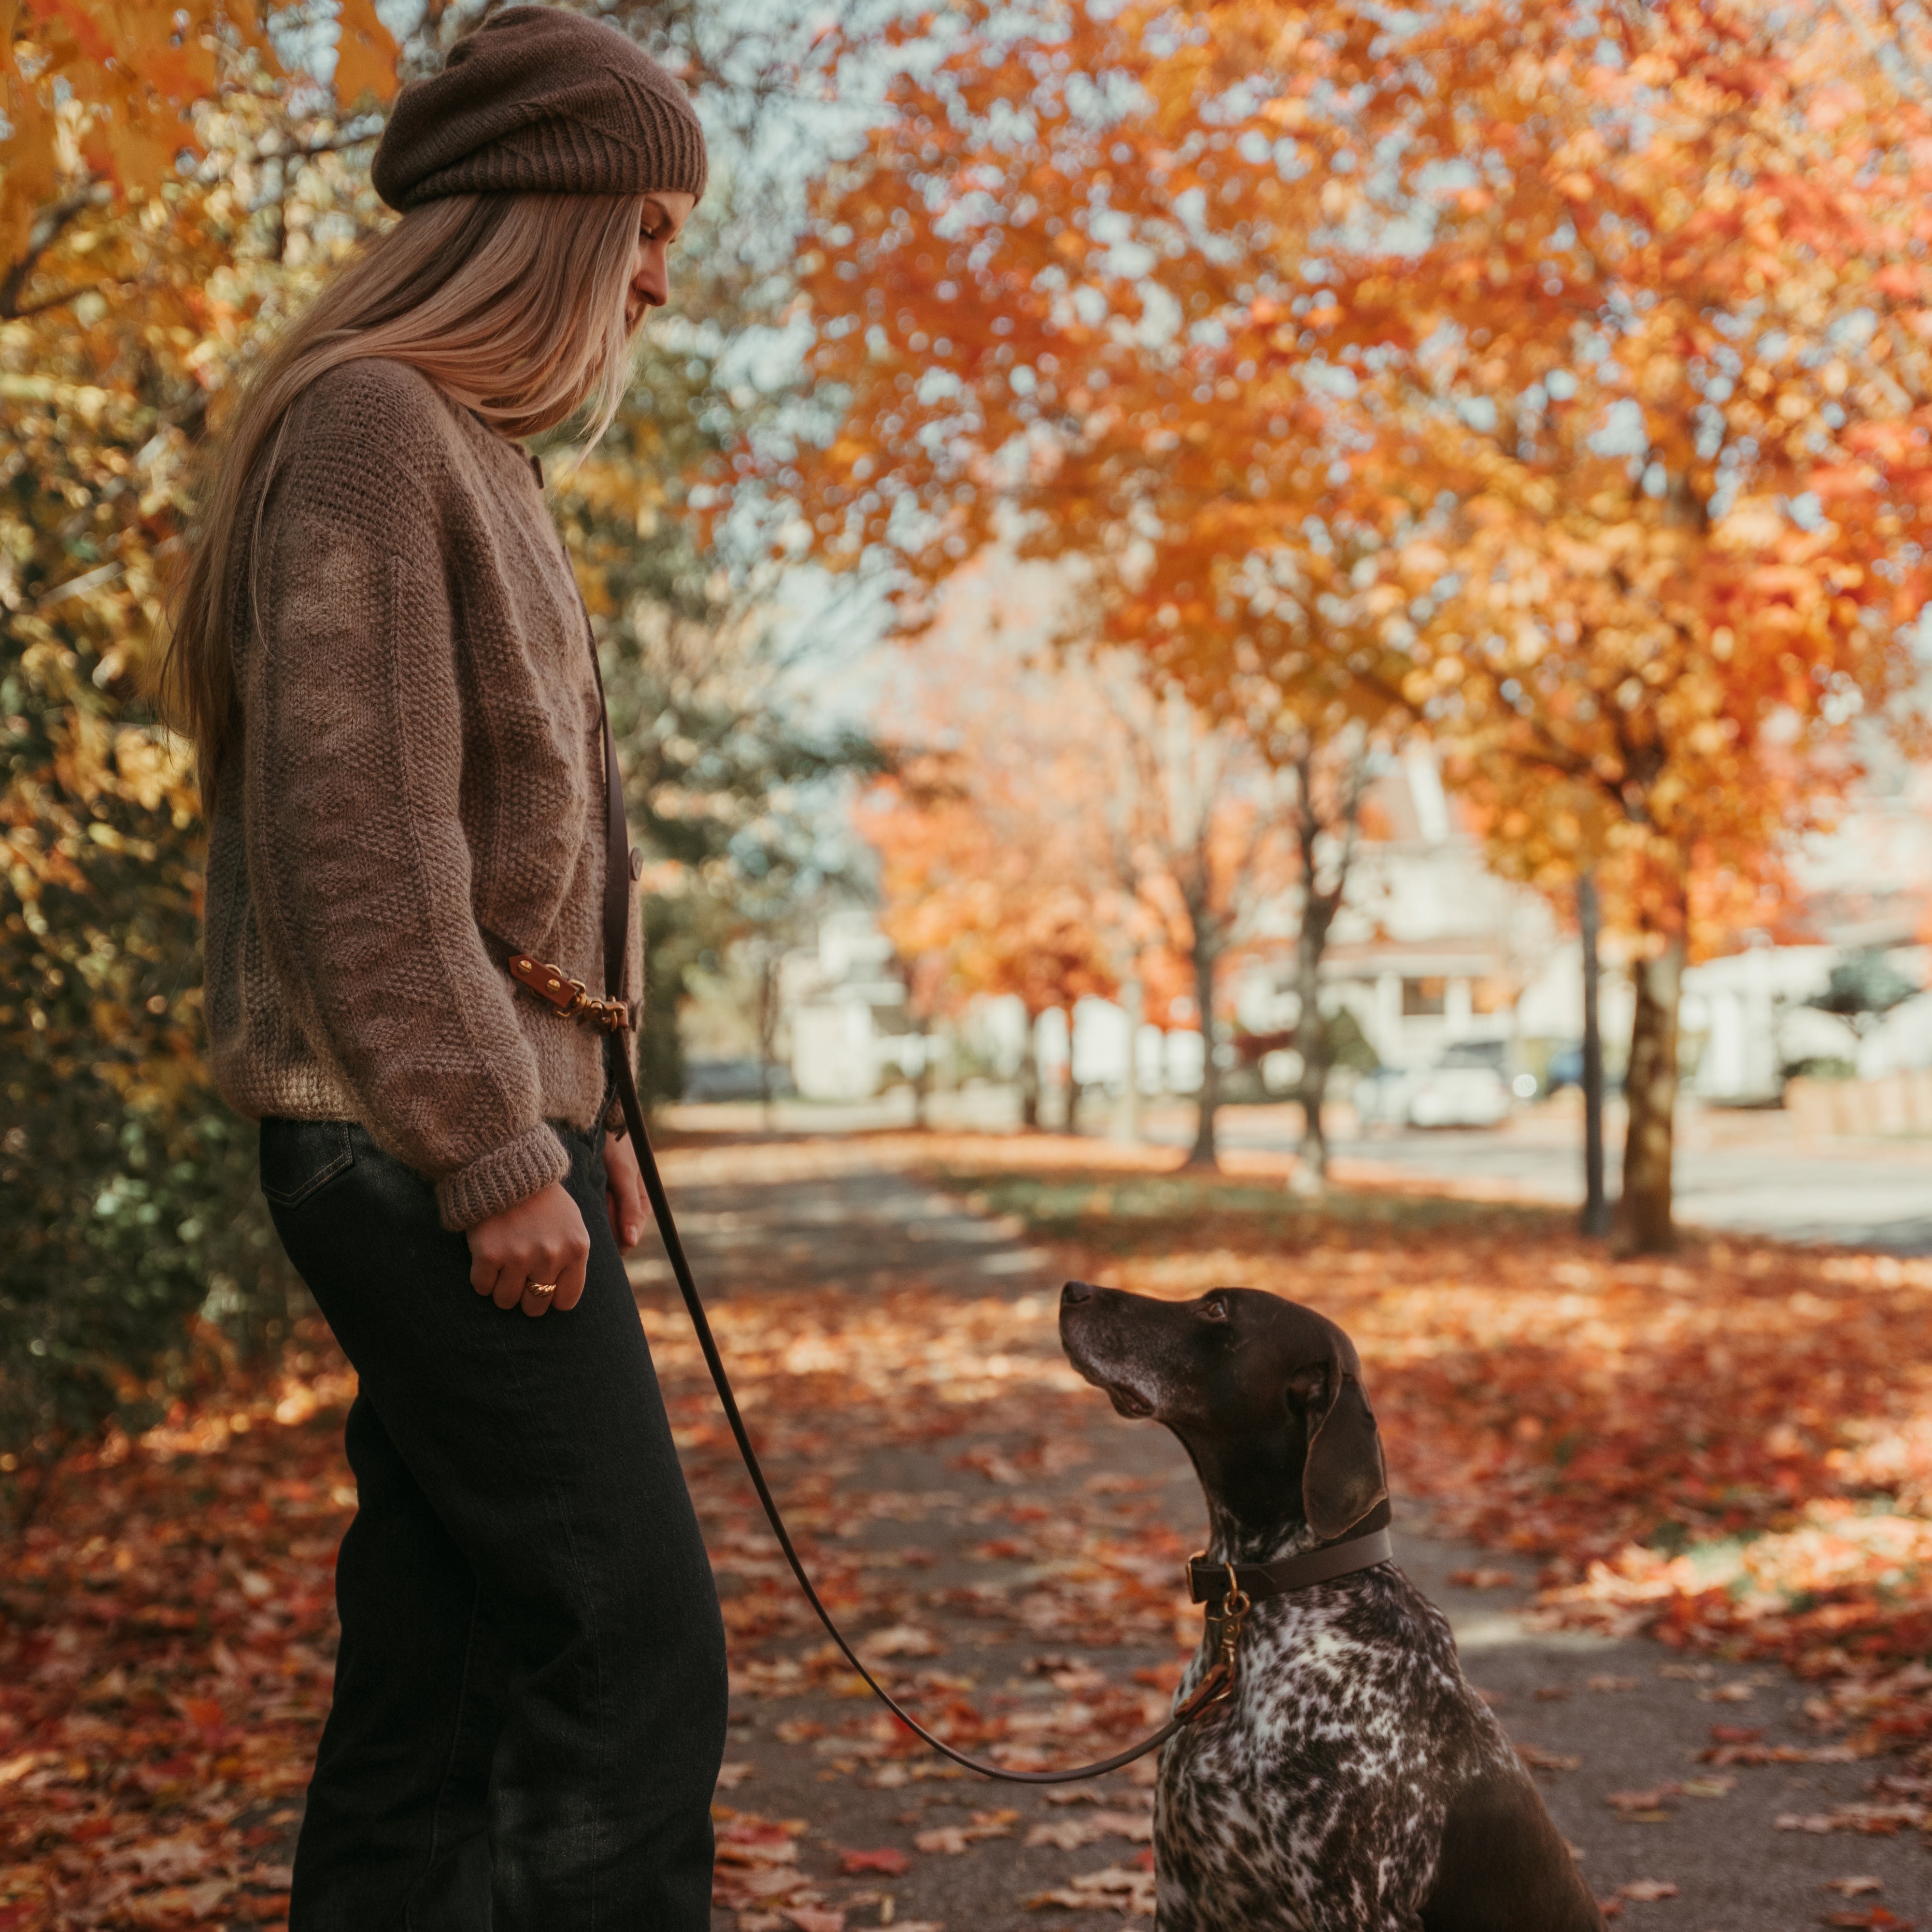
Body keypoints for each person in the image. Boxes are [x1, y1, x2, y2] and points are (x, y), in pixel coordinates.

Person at [159, 9, 725, 1927]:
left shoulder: (464, 452)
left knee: (448, 1648)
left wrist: (580, 1117)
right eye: (643, 225)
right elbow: (362, 846)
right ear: (541, 217)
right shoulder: (374, 434)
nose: (658, 274)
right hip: (406, 1146)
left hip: (455, 1129)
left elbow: (522, 868)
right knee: (622, 1649)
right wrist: (494, 1147)